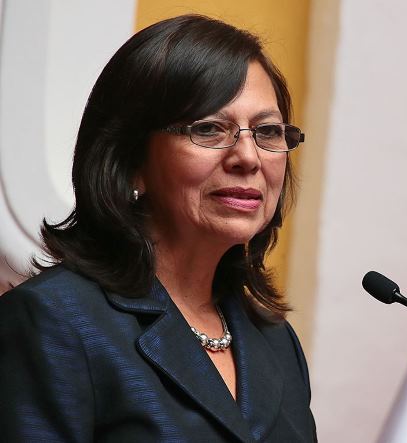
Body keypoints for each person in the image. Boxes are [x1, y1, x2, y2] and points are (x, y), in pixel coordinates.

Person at [0, 15, 316, 442]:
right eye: (209, 128)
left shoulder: (275, 339)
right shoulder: (54, 321)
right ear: (131, 161)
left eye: (268, 132)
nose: (248, 157)